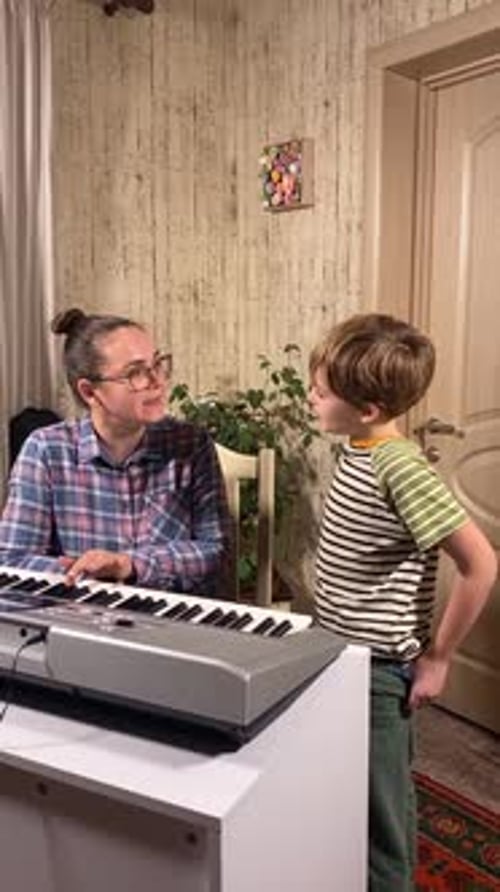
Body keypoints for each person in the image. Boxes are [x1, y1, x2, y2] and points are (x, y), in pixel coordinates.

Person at [308, 313, 497, 892]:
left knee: (381, 815)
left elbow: (481, 564)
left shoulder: (401, 467)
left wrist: (438, 658)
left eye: (321, 391)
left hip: (378, 671)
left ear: (367, 409)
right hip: (340, 653)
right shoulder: (359, 447)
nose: (310, 396)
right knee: (347, 792)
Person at [0, 308, 230, 596]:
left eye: (157, 364)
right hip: (83, 613)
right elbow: (12, 560)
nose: (157, 381)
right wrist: (79, 573)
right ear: (89, 392)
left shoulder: (190, 444)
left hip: (172, 615)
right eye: (135, 373)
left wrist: (129, 565)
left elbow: (216, 552)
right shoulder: (46, 451)